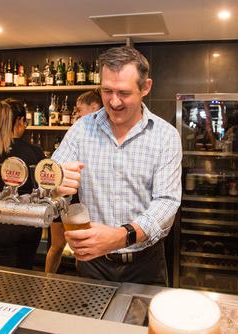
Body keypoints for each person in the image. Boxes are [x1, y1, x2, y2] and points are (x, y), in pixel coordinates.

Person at [51, 46, 182, 285]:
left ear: (146, 87)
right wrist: (55, 183)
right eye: (107, 91)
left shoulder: (166, 136)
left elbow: (166, 202)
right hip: (92, 264)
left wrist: (121, 236)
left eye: (123, 92)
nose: (113, 101)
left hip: (145, 264)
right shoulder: (82, 129)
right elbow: (51, 175)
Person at [0, 99, 45, 270]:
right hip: (29, 223)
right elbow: (42, 187)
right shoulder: (34, 151)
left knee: (1, 275)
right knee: (25, 272)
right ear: (19, 121)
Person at [45, 90, 103, 273]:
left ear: (94, 108)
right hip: (66, 200)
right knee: (57, 245)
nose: (76, 115)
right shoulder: (78, 130)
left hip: (80, 204)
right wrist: (57, 181)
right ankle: (48, 282)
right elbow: (51, 173)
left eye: (79, 110)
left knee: (80, 247)